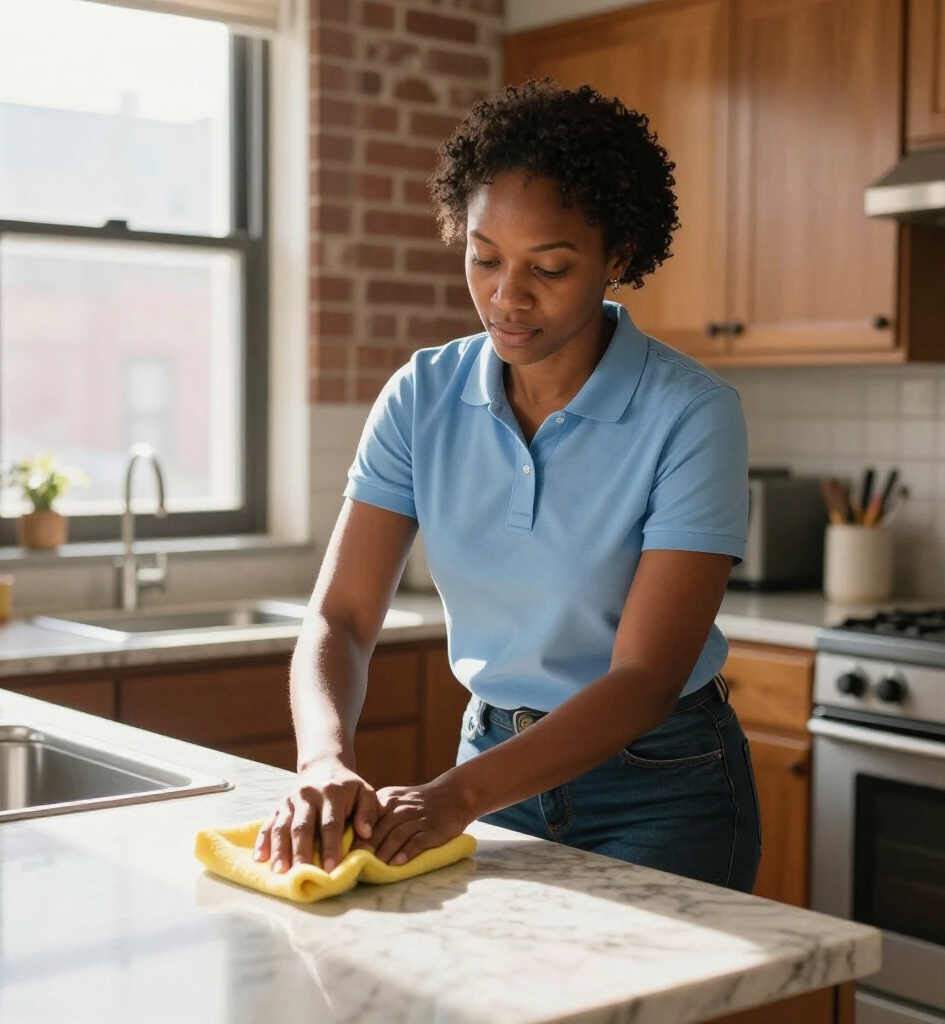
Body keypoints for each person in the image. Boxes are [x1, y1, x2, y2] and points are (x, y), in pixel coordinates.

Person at [255, 80, 760, 892]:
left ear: (617, 258)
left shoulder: (691, 414)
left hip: (660, 786)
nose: (506, 295)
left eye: (549, 268)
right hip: (489, 763)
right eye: (484, 257)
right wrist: (324, 760)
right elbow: (342, 616)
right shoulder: (422, 395)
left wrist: (453, 798)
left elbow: (644, 679)